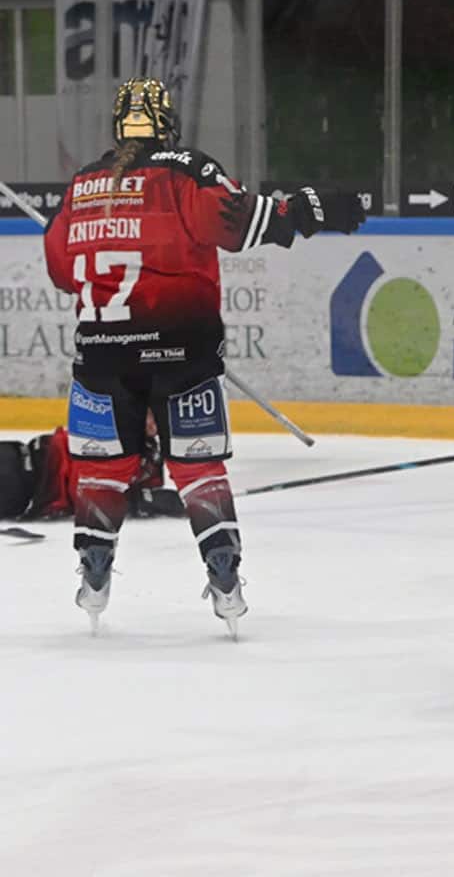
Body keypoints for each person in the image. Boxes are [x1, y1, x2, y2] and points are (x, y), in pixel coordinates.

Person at [42, 76, 366, 635]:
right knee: (196, 467)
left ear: (118, 126)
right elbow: (244, 223)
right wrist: (313, 208)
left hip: (101, 357)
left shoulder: (82, 184)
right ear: (166, 121)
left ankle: (94, 570)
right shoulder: (184, 168)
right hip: (181, 351)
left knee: (103, 468)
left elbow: (59, 270)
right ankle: (225, 576)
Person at [0, 414, 184, 522]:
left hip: (23, 487)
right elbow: (85, 493)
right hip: (17, 470)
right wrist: (142, 501)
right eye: (150, 415)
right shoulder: (112, 435)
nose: (154, 423)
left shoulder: (149, 452)